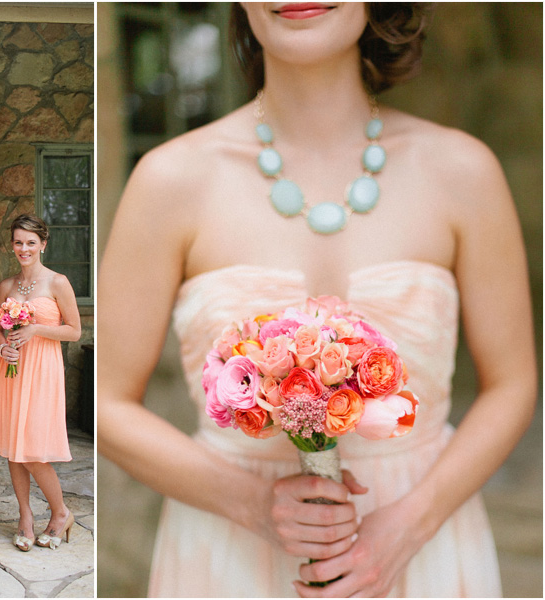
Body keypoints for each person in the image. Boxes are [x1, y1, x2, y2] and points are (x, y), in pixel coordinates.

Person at [97, 3, 536, 597]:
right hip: (229, 554)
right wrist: (252, 502)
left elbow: (512, 384)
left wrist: (410, 526)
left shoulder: (463, 171)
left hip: (425, 547)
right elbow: (105, 402)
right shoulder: (169, 181)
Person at [0, 215, 81, 552]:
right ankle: (24, 517)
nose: (24, 248)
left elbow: (74, 330)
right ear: (11, 245)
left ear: (43, 243)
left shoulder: (58, 282)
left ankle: (60, 512)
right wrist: (2, 347)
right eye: (18, 242)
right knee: (14, 447)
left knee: (33, 450)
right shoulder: (7, 286)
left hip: (42, 370)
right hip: (11, 368)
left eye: (30, 242)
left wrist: (36, 329)